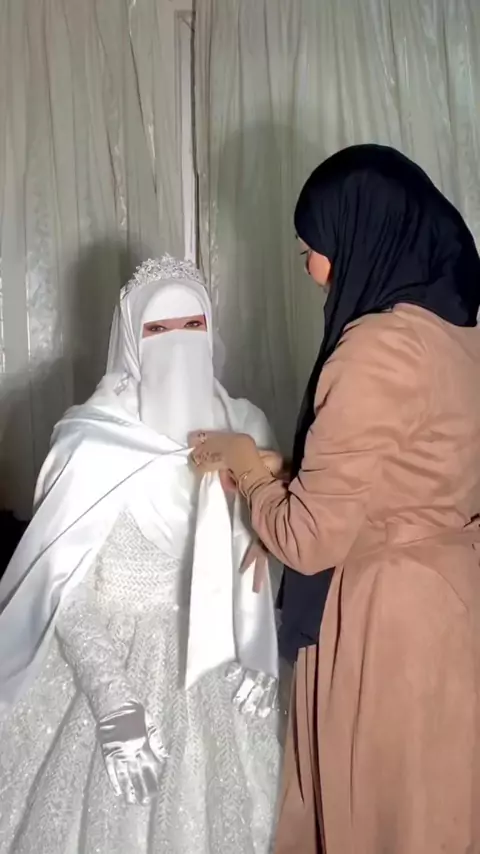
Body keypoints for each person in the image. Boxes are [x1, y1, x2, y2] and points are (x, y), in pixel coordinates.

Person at [189, 145, 480, 854]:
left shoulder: (375, 350)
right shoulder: (456, 335)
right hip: (451, 605)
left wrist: (248, 469)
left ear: (361, 233)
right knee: (433, 810)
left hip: (386, 620)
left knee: (378, 814)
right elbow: (411, 472)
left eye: (311, 249)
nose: (312, 269)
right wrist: (293, 474)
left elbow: (310, 539)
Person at [0, 255, 282, 854]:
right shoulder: (92, 442)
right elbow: (64, 587)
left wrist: (257, 648)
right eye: (157, 329)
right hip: (113, 674)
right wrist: (112, 699)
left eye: (192, 325)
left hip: (222, 675)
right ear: (131, 340)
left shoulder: (247, 428)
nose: (177, 343)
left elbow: (264, 552)